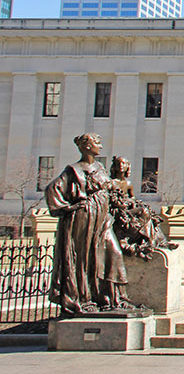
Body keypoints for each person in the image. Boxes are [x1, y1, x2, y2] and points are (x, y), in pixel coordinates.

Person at [45, 133, 132, 313]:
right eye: (96, 143)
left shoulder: (99, 167)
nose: (100, 146)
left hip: (103, 219)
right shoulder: (74, 170)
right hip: (85, 219)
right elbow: (52, 189)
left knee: (113, 253)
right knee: (84, 258)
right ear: (85, 146)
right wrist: (70, 207)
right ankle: (85, 299)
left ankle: (115, 299)